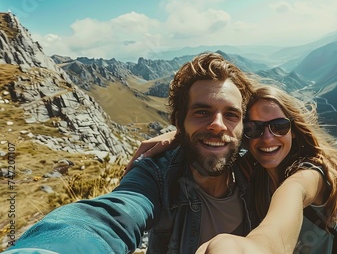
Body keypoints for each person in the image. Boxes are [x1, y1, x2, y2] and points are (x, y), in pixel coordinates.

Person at [4, 52, 261, 254]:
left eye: (231, 114)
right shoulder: (156, 175)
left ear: (243, 125)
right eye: (202, 112)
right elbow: (112, 216)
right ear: (179, 121)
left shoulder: (259, 168)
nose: (218, 124)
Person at [133, 85, 337, 253]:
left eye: (279, 126)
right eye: (253, 129)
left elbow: (291, 199)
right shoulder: (250, 170)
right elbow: (222, 137)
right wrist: (181, 135)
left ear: (294, 130)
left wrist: (249, 248)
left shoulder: (311, 175)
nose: (268, 138)